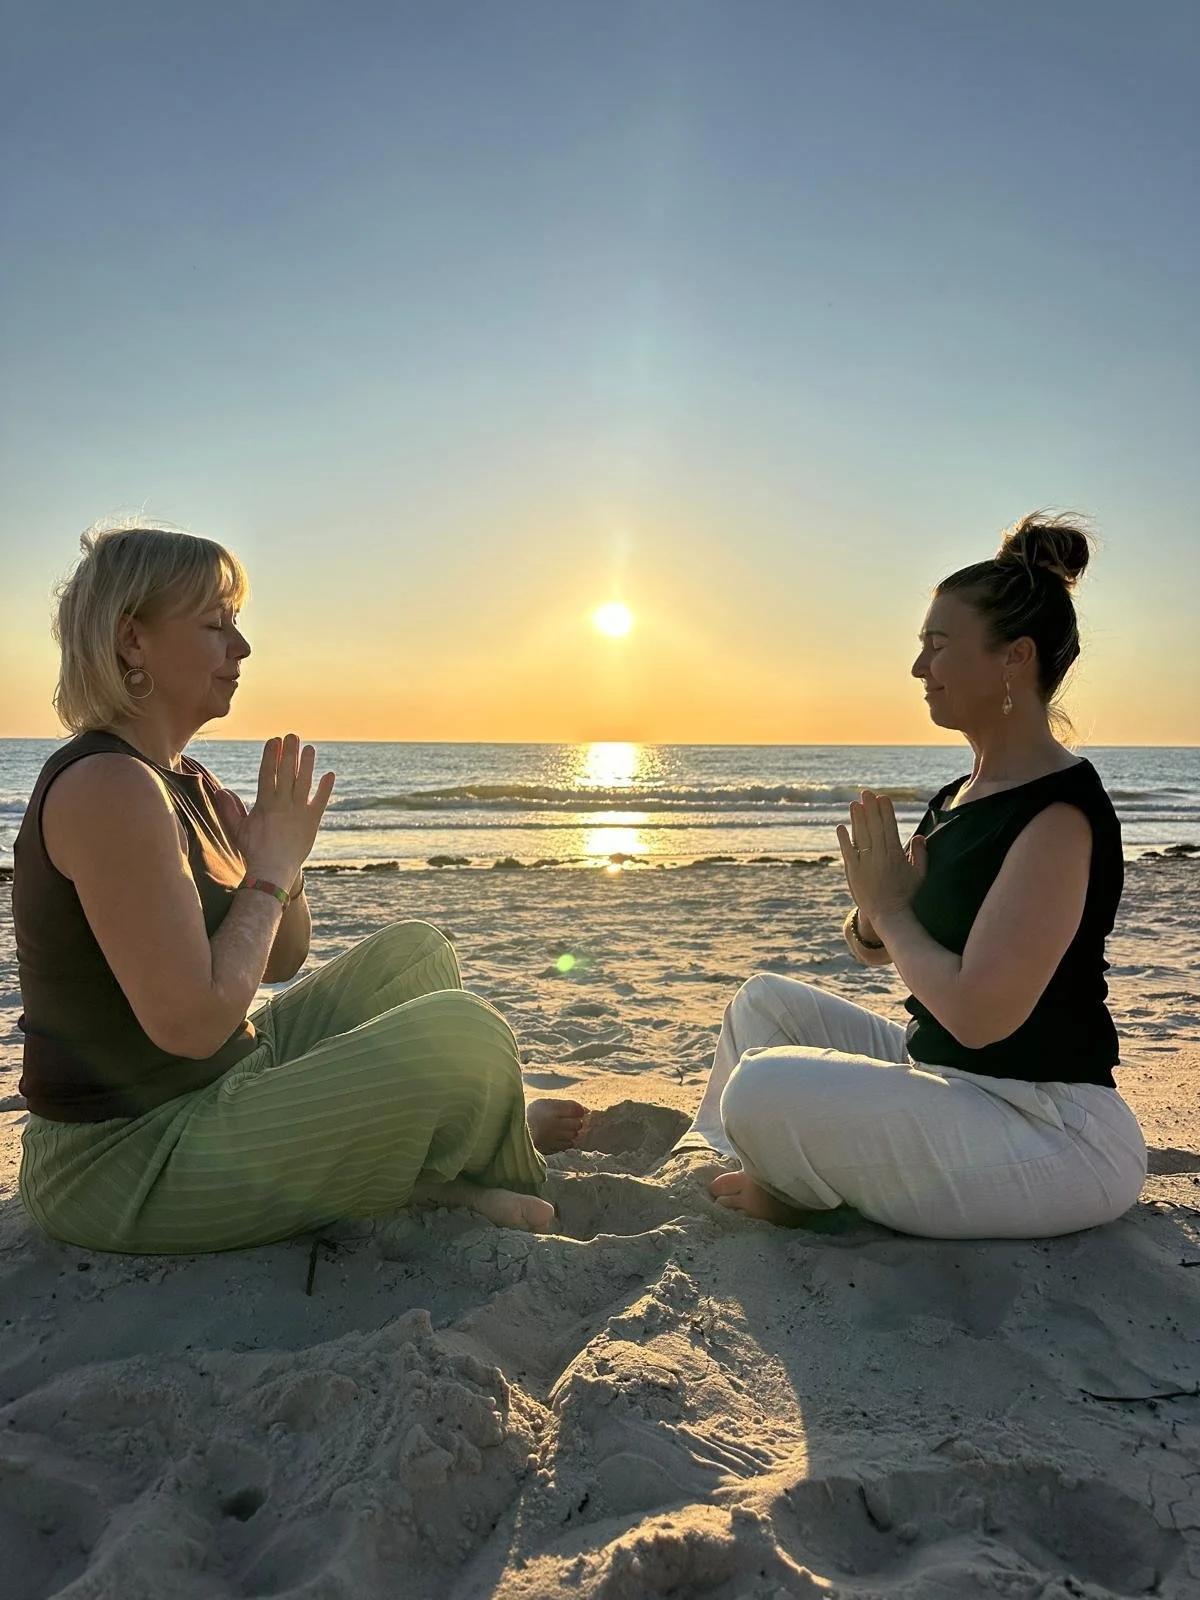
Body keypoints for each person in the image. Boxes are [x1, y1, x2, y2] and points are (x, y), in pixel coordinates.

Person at [15, 523, 587, 1254]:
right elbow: (191, 1024)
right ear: (133, 641)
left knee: (415, 955)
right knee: (464, 1035)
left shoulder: (184, 780)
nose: (241, 648)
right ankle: (478, 1161)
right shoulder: (107, 787)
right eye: (216, 625)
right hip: (123, 1161)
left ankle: (436, 1161)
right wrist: (269, 874)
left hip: (218, 1086)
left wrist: (280, 861)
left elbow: (281, 960)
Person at [673, 513, 1146, 1239]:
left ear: (1014, 658)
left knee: (765, 1086)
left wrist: (890, 911)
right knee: (762, 1007)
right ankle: (731, 1163)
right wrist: (873, 913)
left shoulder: (1058, 817)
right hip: (947, 1081)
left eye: (938, 646)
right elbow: (879, 947)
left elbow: (981, 1016)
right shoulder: (960, 796)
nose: (919, 668)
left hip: (1048, 1128)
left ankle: (793, 1185)